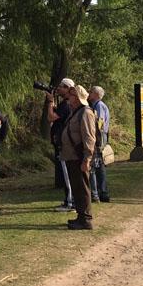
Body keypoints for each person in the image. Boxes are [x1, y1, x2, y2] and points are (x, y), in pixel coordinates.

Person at [60, 85, 97, 230]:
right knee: (77, 188)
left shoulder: (85, 113)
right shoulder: (75, 112)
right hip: (72, 156)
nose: (69, 97)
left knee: (82, 188)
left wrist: (87, 159)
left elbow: (89, 138)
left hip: (79, 156)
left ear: (78, 98)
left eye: (72, 95)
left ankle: (86, 219)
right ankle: (81, 217)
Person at [46, 79, 76, 212]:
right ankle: (70, 200)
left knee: (67, 174)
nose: (58, 89)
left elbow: (50, 117)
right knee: (67, 173)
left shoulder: (66, 104)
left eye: (61, 87)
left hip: (64, 144)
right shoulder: (68, 103)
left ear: (68, 88)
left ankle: (70, 203)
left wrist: (50, 102)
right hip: (64, 142)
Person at [88, 85, 110, 203]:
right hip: (100, 135)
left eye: (91, 92)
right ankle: (101, 191)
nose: (89, 93)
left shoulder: (99, 106)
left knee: (98, 163)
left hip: (99, 136)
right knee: (98, 163)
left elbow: (99, 123)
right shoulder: (96, 105)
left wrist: (96, 139)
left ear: (96, 94)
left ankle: (102, 191)